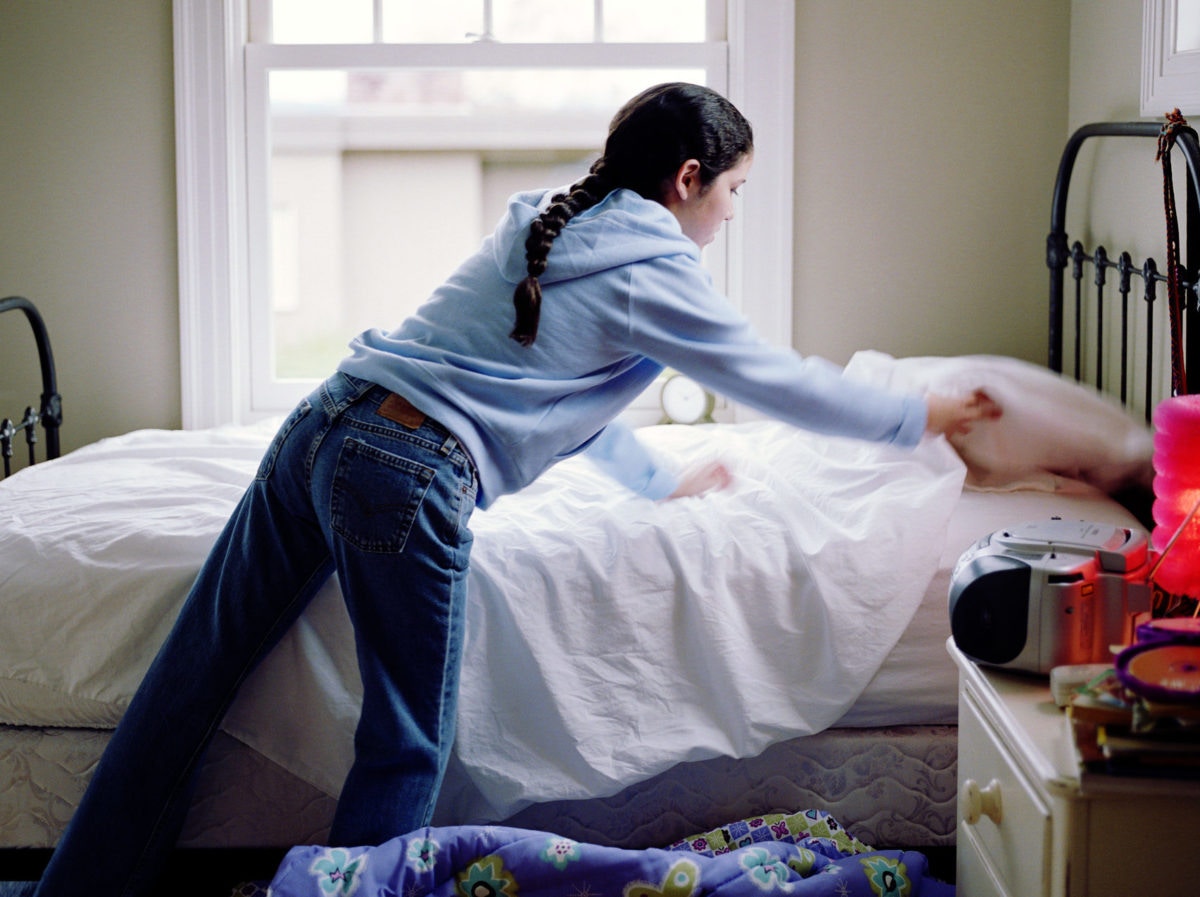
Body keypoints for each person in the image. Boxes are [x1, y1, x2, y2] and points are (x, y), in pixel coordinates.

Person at [29, 82, 996, 897]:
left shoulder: (552, 217)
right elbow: (772, 378)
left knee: (192, 670)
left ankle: (76, 886)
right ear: (688, 180)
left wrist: (655, 476)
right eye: (734, 189)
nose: (734, 213)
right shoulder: (653, 264)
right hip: (400, 474)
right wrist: (916, 413)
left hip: (322, 425)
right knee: (408, 742)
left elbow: (530, 391)